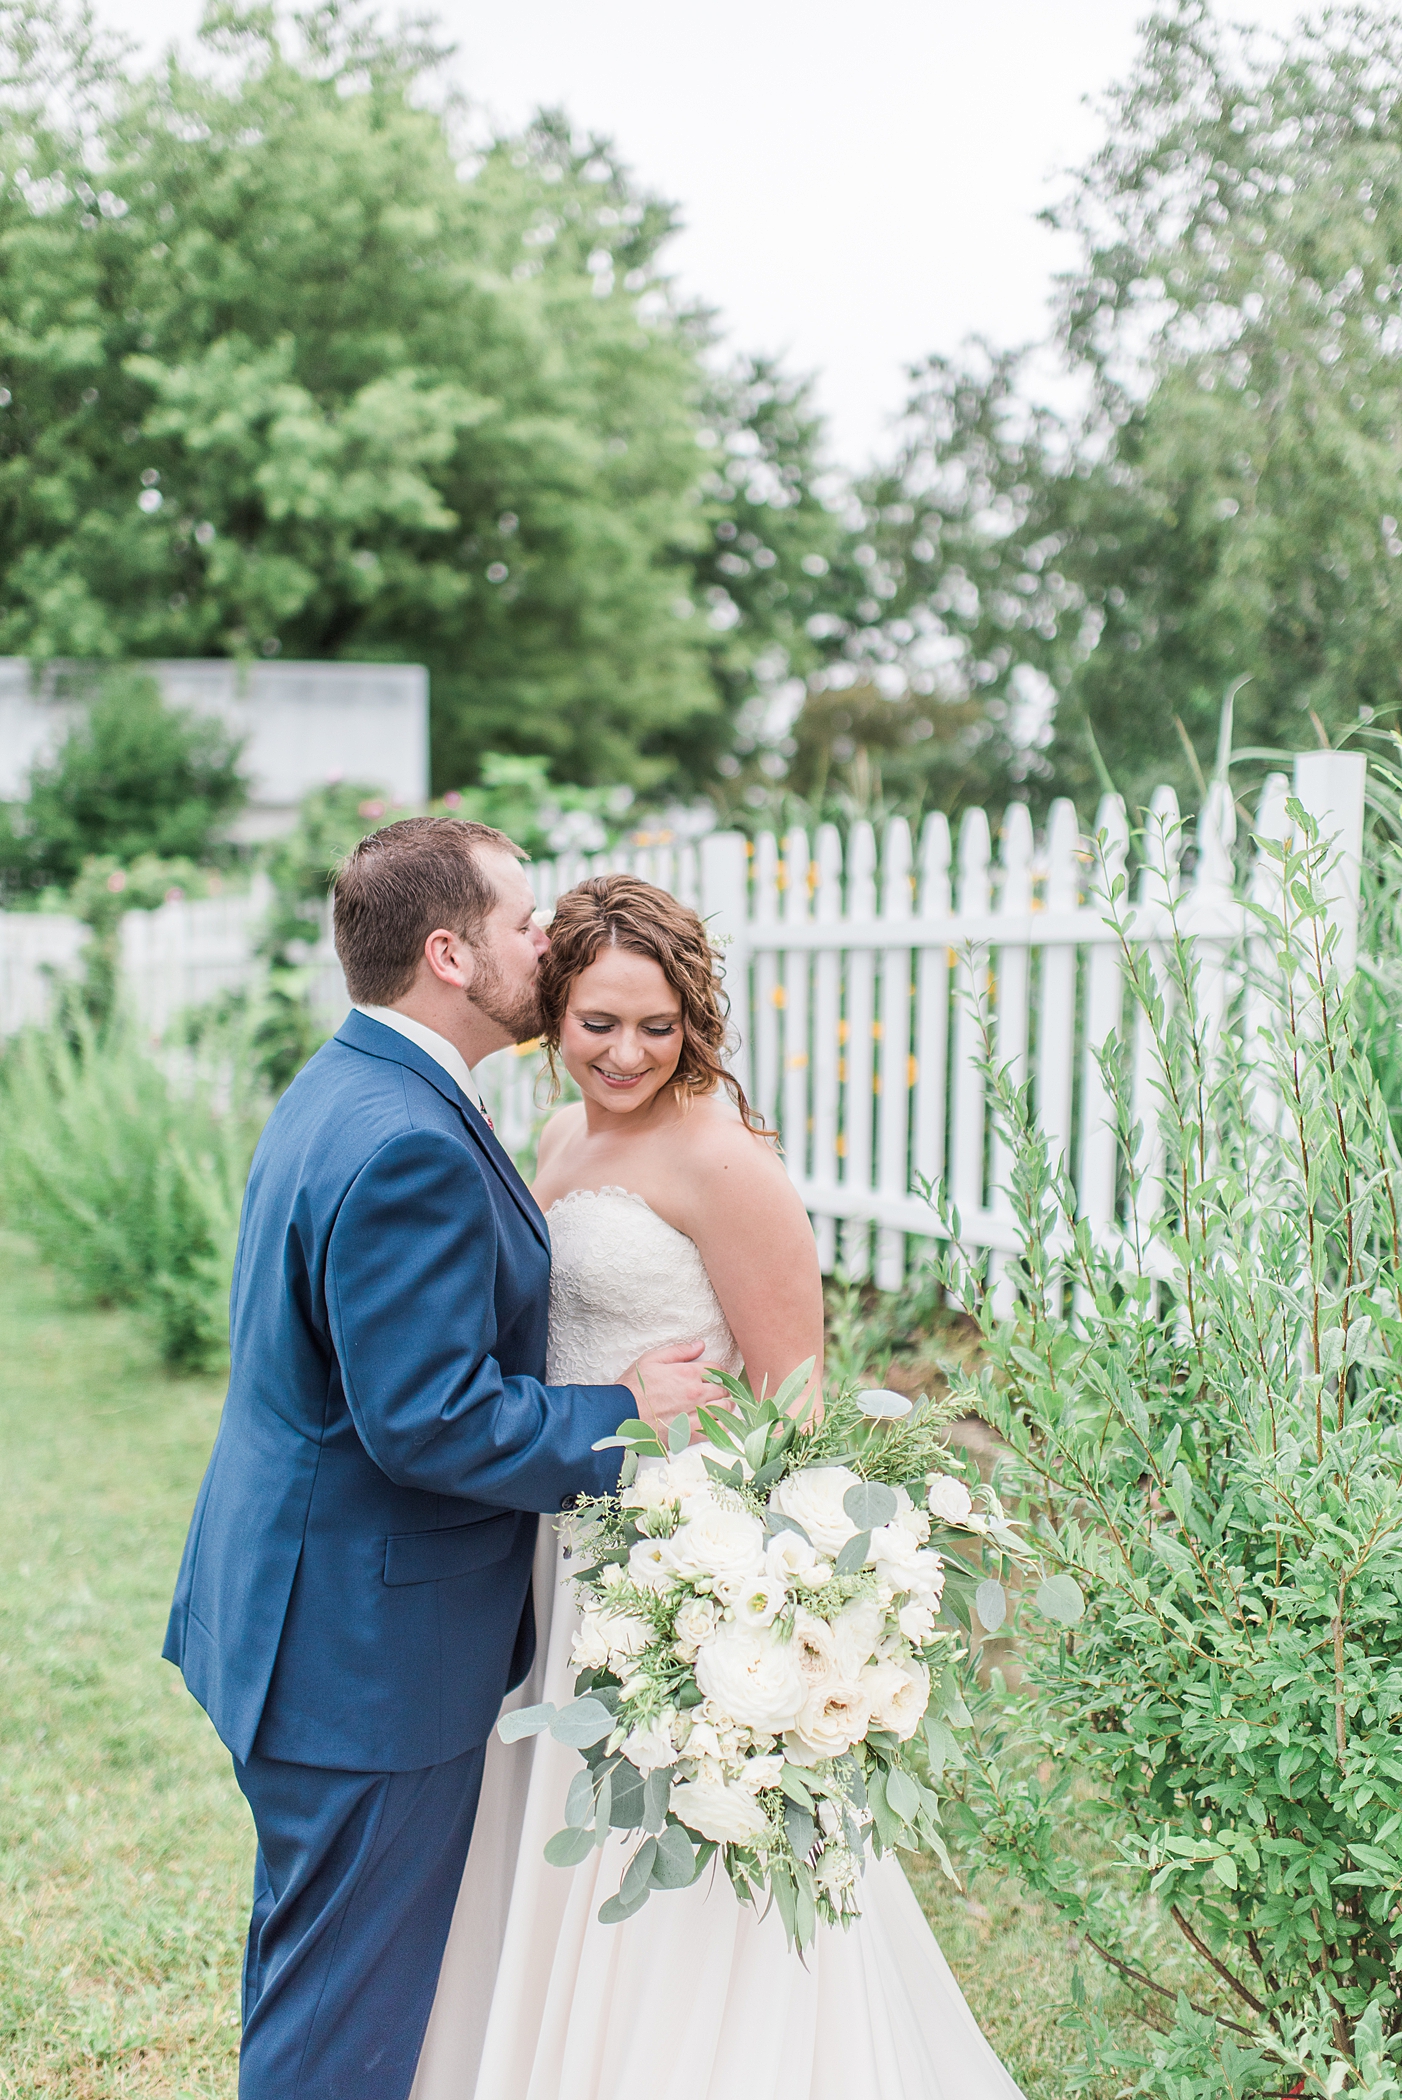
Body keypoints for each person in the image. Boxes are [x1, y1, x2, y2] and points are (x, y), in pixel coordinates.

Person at [412, 874, 1026, 2100]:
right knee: (548, 1832)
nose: (627, 1053)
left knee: (676, 1827)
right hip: (556, 1539)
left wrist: (751, 1594)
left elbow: (794, 1395)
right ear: (552, 1015)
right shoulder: (554, 1137)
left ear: (695, 1019)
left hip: (677, 1556)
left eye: (658, 1024)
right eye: (596, 1024)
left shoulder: (725, 1160)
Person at [162, 822, 710, 2100]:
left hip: (296, 1616)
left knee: (316, 1965)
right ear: (451, 953)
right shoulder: (406, 1136)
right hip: (361, 1655)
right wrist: (615, 1411)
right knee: (341, 2014)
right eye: (525, 924)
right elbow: (428, 1419)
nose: (547, 942)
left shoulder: (349, 1083)